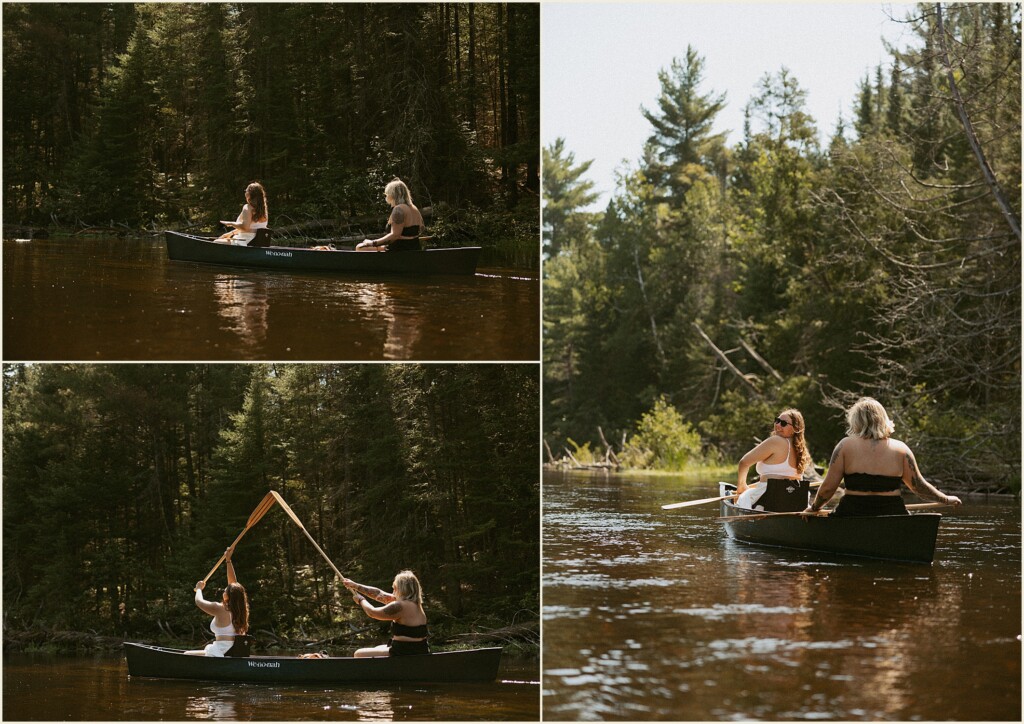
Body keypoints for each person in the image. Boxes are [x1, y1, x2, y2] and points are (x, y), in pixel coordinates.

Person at [803, 397, 962, 517]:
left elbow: (829, 488)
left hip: (852, 514)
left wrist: (814, 508)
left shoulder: (845, 446)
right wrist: (946, 499)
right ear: (883, 420)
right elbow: (918, 487)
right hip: (892, 515)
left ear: (856, 422)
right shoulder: (902, 449)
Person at [735, 409, 814, 512]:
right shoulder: (801, 449)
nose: (778, 425)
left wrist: (741, 487)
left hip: (767, 499)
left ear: (795, 428)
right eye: (777, 420)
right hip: (794, 501)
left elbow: (744, 463)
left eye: (783, 423)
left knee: (742, 498)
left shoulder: (775, 441)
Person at [343, 570, 429, 657]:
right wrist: (355, 586)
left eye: (394, 588)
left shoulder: (401, 606)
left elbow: (372, 613)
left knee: (358, 654)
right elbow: (379, 594)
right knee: (378, 647)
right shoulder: (415, 604)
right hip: (419, 649)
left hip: (404, 652)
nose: (393, 592)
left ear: (400, 589)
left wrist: (361, 600)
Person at [186, 547, 250, 656]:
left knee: (187, 654)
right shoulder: (241, 609)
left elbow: (199, 602)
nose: (223, 591)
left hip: (222, 650)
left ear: (228, 596)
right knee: (188, 653)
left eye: (225, 591)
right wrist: (228, 560)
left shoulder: (220, 608)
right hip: (233, 649)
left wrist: (199, 589)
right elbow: (233, 585)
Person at [355, 178, 424, 252]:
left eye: (387, 194)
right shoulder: (414, 208)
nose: (386, 196)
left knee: (360, 247)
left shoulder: (398, 209)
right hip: (415, 247)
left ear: (392, 195)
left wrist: (372, 243)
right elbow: (421, 228)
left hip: (400, 250)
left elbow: (395, 235)